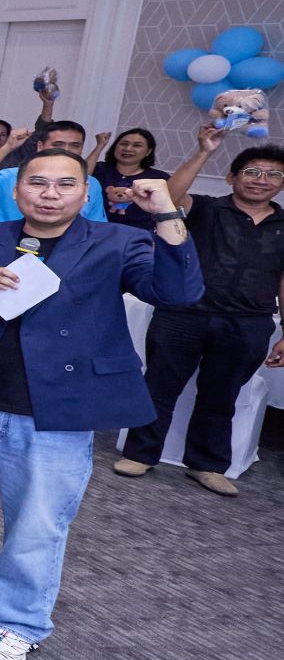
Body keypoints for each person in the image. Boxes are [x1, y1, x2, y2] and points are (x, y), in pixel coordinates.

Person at [0, 158, 199, 660]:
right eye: (38, 183)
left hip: (57, 406)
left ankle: (19, 619)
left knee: (37, 520)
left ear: (85, 192)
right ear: (17, 190)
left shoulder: (117, 240)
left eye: (65, 184)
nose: (50, 194)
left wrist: (166, 214)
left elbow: (179, 293)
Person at [115, 134, 284, 494]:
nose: (261, 180)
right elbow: (168, 197)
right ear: (231, 177)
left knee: (222, 396)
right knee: (159, 386)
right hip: (184, 313)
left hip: (248, 321)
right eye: (252, 172)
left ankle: (207, 464)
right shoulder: (206, 208)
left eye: (273, 175)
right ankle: (140, 454)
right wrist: (203, 151)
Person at [0, 120, 107, 224]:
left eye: (74, 145)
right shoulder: (13, 175)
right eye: (58, 144)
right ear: (40, 146)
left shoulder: (91, 183)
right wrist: (7, 148)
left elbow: (97, 226)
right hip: (10, 249)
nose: (66, 150)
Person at [94, 128, 172, 232]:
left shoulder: (159, 178)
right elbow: (82, 175)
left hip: (138, 234)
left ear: (148, 151)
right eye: (123, 144)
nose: (128, 148)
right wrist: (99, 146)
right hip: (97, 230)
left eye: (137, 145)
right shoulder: (99, 168)